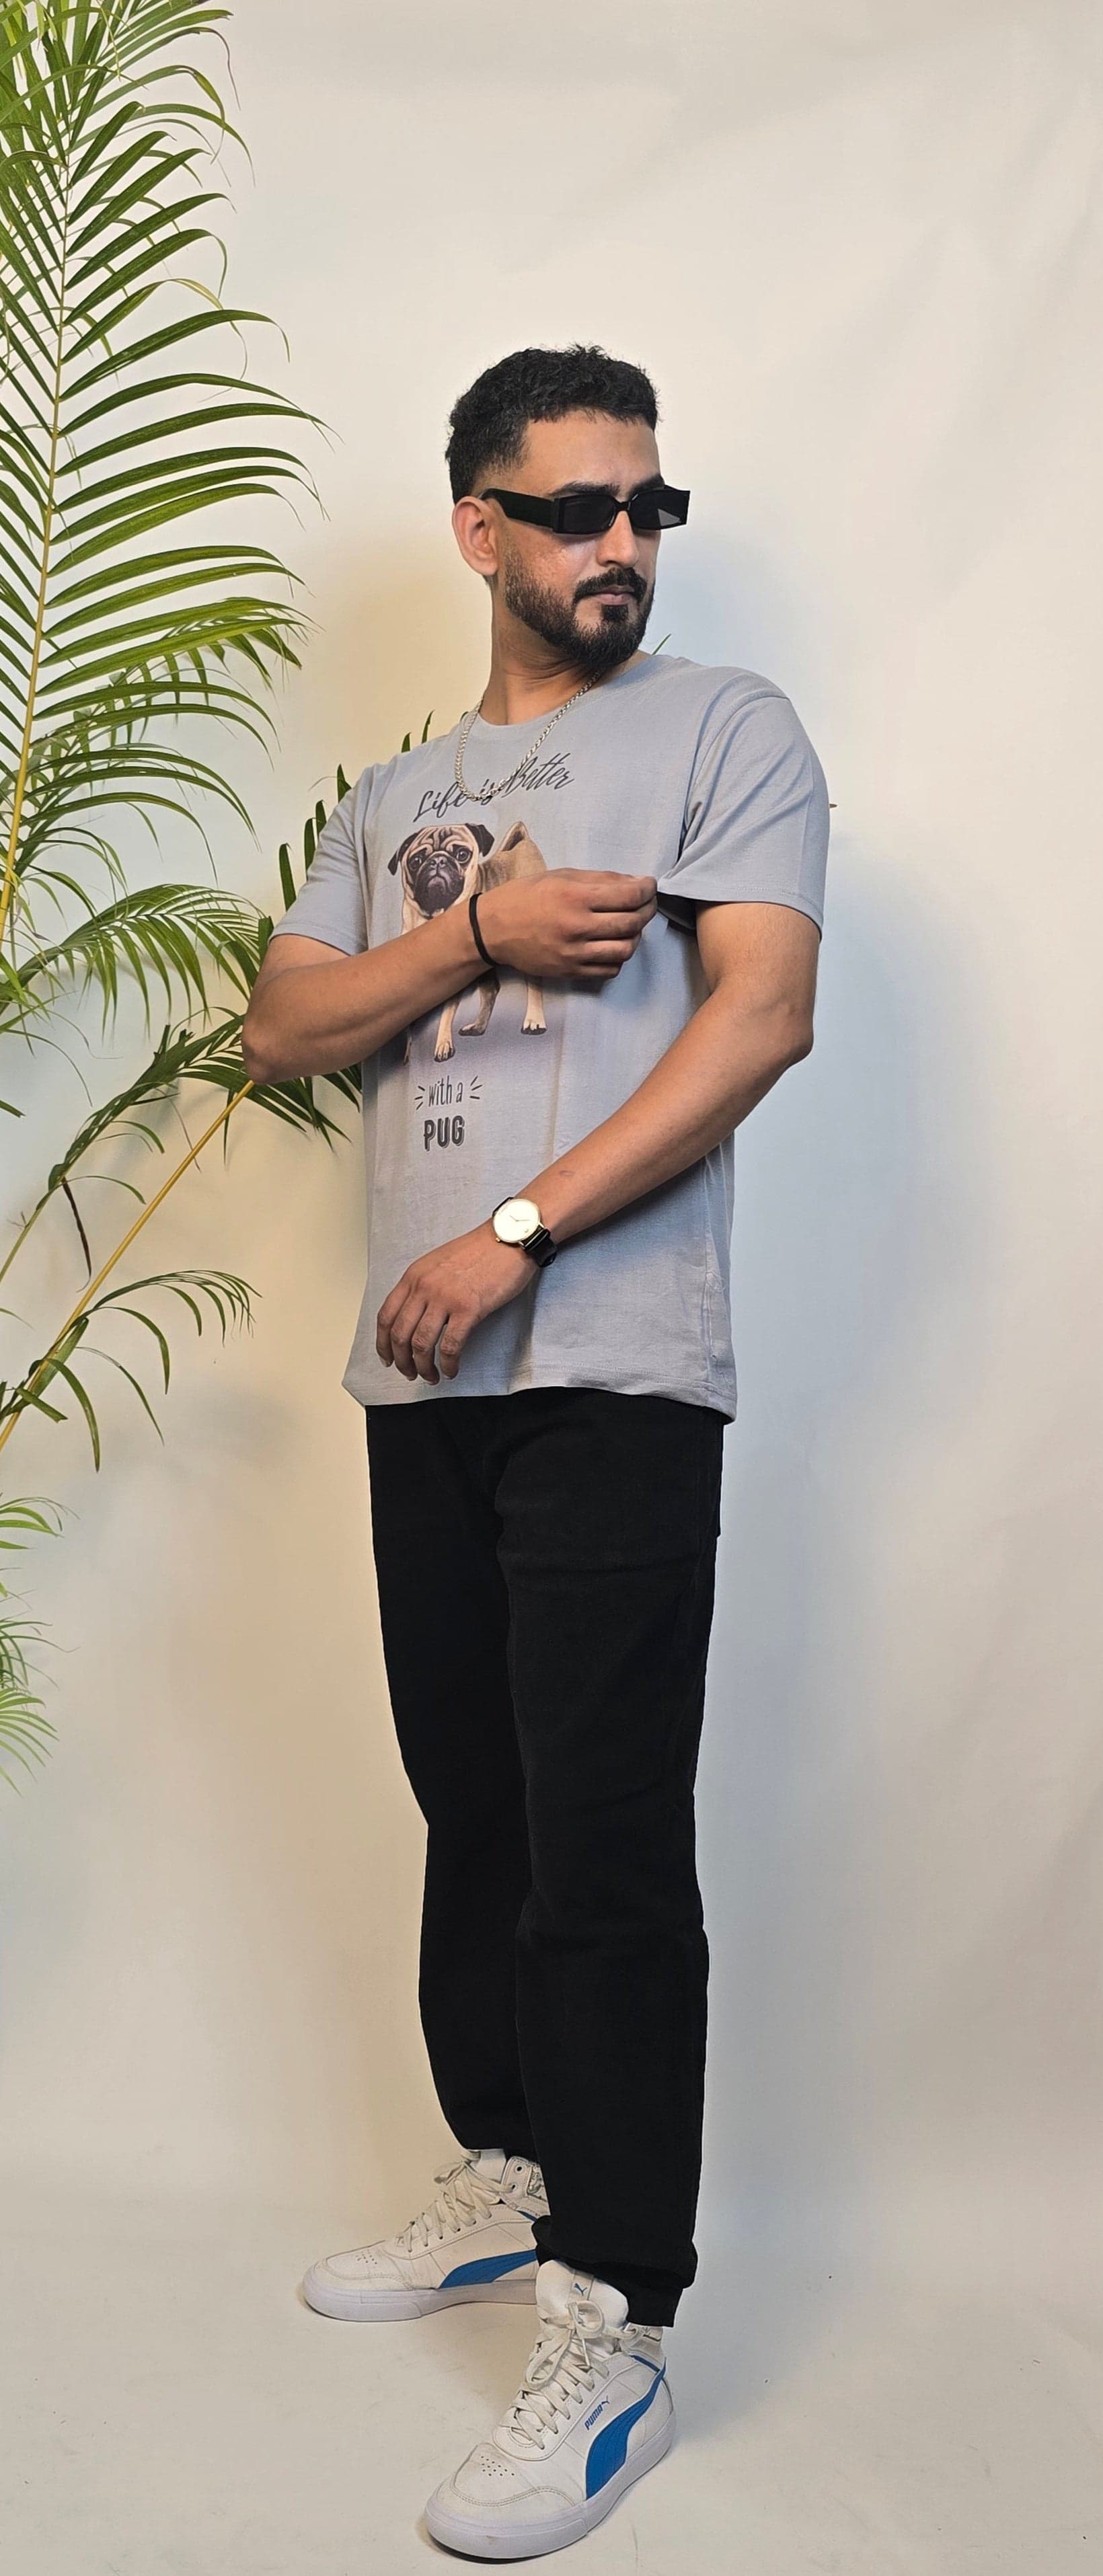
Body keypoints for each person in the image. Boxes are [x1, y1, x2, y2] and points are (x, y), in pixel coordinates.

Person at [241, 342, 829, 2560]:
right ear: (479, 527)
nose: (620, 544)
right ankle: (509, 2166)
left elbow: (762, 1015)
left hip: (610, 1370)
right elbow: (281, 1023)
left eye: (646, 505)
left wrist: (511, 1233)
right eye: (575, 508)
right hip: (426, 1390)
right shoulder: (396, 795)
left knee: (601, 1847)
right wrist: (477, 927)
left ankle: (620, 2319)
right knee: (471, 1803)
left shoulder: (724, 732)